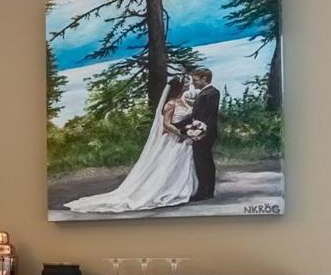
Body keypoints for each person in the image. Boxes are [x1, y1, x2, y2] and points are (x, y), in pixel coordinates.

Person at [64, 75, 198, 214]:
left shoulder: (185, 101)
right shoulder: (170, 104)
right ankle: (169, 191)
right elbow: (166, 124)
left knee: (182, 164)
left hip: (186, 139)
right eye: (185, 83)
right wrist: (181, 133)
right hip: (174, 139)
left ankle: (183, 189)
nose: (188, 84)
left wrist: (193, 129)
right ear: (178, 87)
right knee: (169, 165)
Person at [185, 68, 220, 201]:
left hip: (203, 132)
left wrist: (198, 130)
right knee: (205, 161)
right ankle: (207, 191)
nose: (193, 83)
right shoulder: (208, 93)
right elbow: (199, 108)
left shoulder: (209, 93)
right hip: (204, 130)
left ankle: (203, 192)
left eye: (195, 80)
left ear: (204, 79)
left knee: (202, 162)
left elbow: (202, 114)